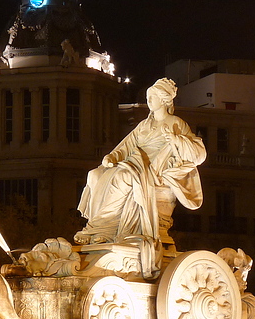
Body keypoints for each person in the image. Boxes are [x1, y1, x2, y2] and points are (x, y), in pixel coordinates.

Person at [75, 77, 206, 272]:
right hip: (134, 162)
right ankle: (96, 229)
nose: (149, 101)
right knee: (94, 175)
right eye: (148, 97)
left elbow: (199, 154)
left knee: (123, 178)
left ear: (163, 99)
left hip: (152, 170)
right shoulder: (144, 125)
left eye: (152, 97)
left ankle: (105, 228)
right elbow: (127, 145)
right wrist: (112, 156)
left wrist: (177, 140)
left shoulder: (175, 123)